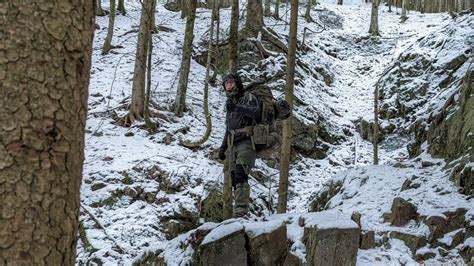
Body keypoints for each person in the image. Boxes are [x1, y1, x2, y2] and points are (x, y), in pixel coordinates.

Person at [218, 73, 261, 218]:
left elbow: (256, 113)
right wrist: (223, 147)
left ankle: (241, 212)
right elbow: (228, 128)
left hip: (246, 142)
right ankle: (237, 212)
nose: (229, 85)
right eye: (226, 84)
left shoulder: (247, 97)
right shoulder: (230, 103)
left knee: (240, 175)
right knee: (234, 179)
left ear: (237, 83)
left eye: (231, 82)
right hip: (232, 145)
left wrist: (237, 107)